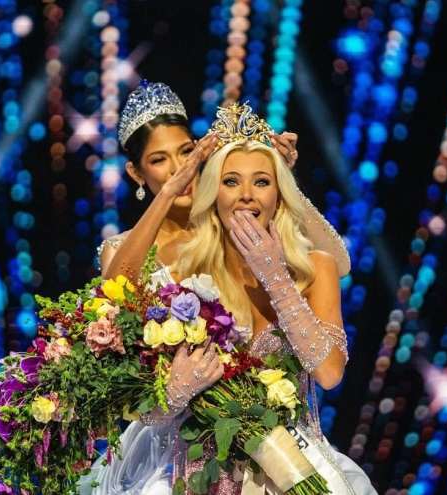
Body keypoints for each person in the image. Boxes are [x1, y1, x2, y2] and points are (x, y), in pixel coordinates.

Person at [80, 103, 376, 494]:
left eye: (262, 182)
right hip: (198, 468)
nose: (247, 196)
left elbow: (330, 374)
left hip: (292, 459)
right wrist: (175, 392)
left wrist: (276, 278)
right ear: (214, 193)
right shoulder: (185, 274)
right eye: (231, 182)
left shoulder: (314, 267)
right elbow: (114, 299)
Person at [97, 81, 351, 281]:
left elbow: (339, 265)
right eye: (159, 160)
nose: (179, 169)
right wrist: (168, 192)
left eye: (186, 152)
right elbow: (113, 296)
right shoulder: (119, 248)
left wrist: (284, 179)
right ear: (136, 173)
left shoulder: (234, 221)